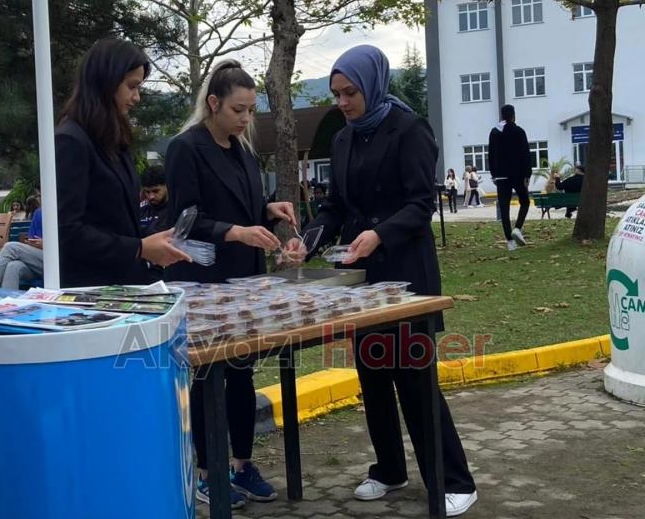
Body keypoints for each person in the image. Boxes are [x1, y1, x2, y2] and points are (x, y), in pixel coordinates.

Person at [286, 45, 477, 517]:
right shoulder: (345, 138)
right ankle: (389, 470)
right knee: (372, 378)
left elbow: (420, 205)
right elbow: (334, 208)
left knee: (415, 382)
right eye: (336, 94)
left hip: (406, 274)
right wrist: (306, 242)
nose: (343, 102)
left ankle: (454, 479)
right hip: (359, 276)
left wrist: (378, 233)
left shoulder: (410, 130)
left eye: (350, 92)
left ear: (372, 85)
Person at [164, 59, 296, 509]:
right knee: (205, 381)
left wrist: (268, 211)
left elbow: (247, 207)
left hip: (245, 280)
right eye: (238, 109)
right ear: (214, 104)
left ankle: (242, 464)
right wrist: (235, 231)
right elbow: (185, 219)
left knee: (241, 376)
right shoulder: (185, 148)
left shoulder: (243, 150)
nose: (245, 119)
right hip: (202, 280)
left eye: (251, 110)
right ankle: (205, 471)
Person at [55, 38, 189, 287]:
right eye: (131, 86)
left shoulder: (113, 138)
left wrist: (154, 242)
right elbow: (67, 231)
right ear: (105, 83)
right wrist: (139, 247)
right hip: (91, 292)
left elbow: (118, 221)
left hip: (126, 284)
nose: (137, 97)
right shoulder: (70, 140)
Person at [488, 104, 531, 251]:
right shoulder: (519, 131)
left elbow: (491, 154)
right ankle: (517, 228)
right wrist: (527, 174)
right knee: (524, 202)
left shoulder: (494, 132)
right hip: (518, 174)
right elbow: (526, 153)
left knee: (504, 207)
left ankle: (510, 242)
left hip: (501, 176)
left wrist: (493, 174)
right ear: (513, 115)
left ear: (502, 116)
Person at [0, 206, 44, 290]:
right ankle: (7, 300)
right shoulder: (38, 212)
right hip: (36, 261)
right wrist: (31, 244)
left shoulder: (63, 212)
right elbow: (32, 238)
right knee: (13, 266)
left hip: (57, 261)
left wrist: (47, 245)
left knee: (10, 247)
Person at [140, 164, 171, 236]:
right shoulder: (139, 210)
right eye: (147, 192)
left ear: (166, 186)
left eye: (156, 191)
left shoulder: (176, 211)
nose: (151, 197)